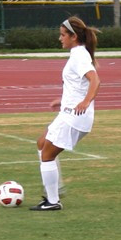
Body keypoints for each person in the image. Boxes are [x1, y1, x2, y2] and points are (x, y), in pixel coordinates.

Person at [30, 17, 101, 211]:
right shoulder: (78, 54)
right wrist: (63, 100)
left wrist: (85, 102)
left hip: (74, 117)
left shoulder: (79, 56)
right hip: (67, 112)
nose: (60, 38)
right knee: (42, 142)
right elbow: (79, 85)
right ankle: (55, 188)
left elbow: (95, 80)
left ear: (73, 36)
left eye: (62, 35)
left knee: (46, 155)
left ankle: (53, 201)